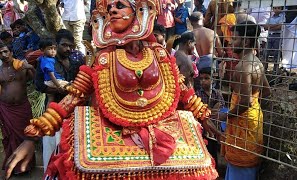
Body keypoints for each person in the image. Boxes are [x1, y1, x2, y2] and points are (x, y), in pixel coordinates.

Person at [5, 0, 219, 179]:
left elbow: (179, 86)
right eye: (109, 10)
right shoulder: (104, 57)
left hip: (163, 136)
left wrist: (202, 115)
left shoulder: (158, 53)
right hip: (113, 137)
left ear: (137, 13)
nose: (113, 11)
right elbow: (75, 95)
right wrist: (34, 136)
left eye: (120, 6)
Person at [213, 21, 271, 180]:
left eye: (235, 38)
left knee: (241, 167)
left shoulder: (243, 67)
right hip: (254, 119)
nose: (230, 42)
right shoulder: (257, 62)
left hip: (244, 124)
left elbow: (245, 102)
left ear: (246, 41)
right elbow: (266, 91)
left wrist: (226, 116)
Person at [35, 29, 85, 172]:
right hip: (54, 109)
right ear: (56, 45)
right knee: (52, 143)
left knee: (73, 146)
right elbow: (39, 85)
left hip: (74, 110)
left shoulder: (77, 58)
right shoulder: (46, 60)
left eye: (70, 46)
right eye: (64, 45)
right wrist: (58, 89)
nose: (67, 49)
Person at [0, 42, 36, 175]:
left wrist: (31, 68)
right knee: (10, 137)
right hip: (6, 109)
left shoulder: (22, 66)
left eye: (5, 51)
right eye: (0, 53)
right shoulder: (0, 70)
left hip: (22, 108)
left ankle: (25, 166)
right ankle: (13, 166)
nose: (3, 55)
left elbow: (37, 82)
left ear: (11, 52)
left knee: (26, 135)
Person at [196, 67, 225, 164]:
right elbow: (202, 114)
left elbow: (220, 110)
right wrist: (210, 112)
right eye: (201, 79)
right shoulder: (198, 94)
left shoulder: (217, 94)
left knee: (213, 153)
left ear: (212, 79)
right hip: (203, 130)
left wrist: (208, 111)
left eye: (206, 78)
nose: (203, 81)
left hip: (215, 127)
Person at [39, 38, 69, 104]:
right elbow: (52, 76)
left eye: (54, 49)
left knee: (50, 99)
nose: (53, 51)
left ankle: (47, 113)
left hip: (47, 81)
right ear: (42, 50)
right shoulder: (49, 61)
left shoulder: (43, 58)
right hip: (53, 81)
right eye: (49, 49)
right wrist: (59, 87)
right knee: (70, 87)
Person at [263, 6, 284, 73]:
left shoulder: (282, 17)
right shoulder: (270, 18)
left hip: (277, 36)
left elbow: (280, 26)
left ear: (281, 9)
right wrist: (275, 26)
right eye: (275, 8)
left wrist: (270, 27)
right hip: (270, 36)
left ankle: (275, 69)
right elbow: (265, 27)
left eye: (278, 8)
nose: (276, 9)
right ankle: (264, 68)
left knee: (276, 53)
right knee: (266, 52)